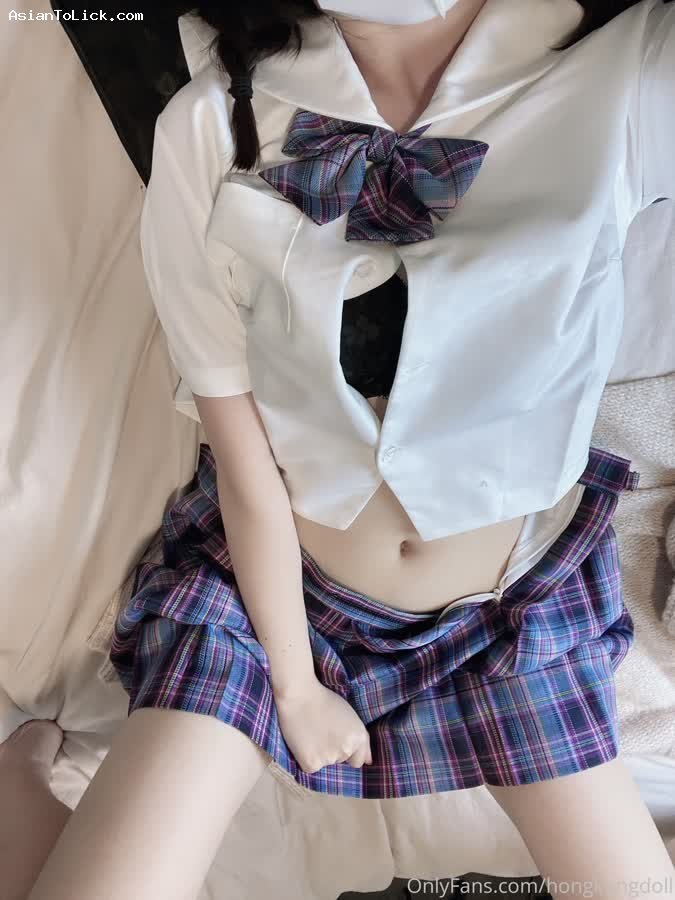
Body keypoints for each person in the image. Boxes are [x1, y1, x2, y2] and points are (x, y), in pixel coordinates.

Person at [16, 1, 675, 898]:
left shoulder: (624, 72)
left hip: (505, 614)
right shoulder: (213, 117)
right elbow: (238, 452)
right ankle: (20, 771)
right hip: (272, 592)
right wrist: (293, 686)